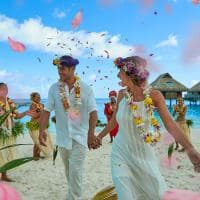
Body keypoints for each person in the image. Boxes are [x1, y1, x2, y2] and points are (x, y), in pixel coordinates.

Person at [95, 56, 200, 200]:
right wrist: (99, 136)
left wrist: (190, 149)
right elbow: (114, 122)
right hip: (120, 152)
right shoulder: (121, 95)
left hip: (143, 154)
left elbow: (170, 124)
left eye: (120, 71)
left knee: (155, 194)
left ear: (130, 73)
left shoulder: (154, 95)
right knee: (125, 195)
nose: (118, 75)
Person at [39, 55, 99, 200]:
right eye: (58, 68)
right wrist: (42, 130)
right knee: (69, 171)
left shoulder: (86, 89)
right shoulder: (54, 89)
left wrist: (91, 133)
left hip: (80, 137)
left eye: (63, 69)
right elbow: (47, 110)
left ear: (73, 69)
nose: (60, 72)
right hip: (63, 137)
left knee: (75, 171)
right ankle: (72, 196)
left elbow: (93, 112)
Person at [0, 82, 33, 182]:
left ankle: (4, 175)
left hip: (8, 132)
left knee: (6, 153)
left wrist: (26, 112)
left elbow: (17, 116)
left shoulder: (9, 102)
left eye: (6, 89)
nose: (6, 91)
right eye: (3, 89)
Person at [26, 92, 53, 160]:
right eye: (37, 97)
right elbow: (36, 115)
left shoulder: (41, 105)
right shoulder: (33, 105)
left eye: (39, 97)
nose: (39, 98)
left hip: (41, 124)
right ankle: (35, 156)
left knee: (42, 140)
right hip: (35, 125)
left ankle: (38, 154)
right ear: (33, 98)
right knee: (37, 142)